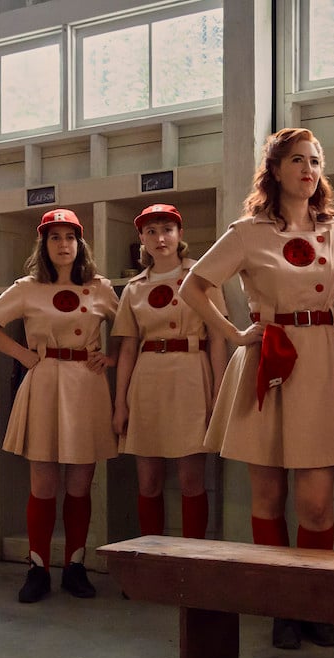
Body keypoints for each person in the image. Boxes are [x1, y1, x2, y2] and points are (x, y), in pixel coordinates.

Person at [179, 128, 334, 650]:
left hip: (323, 358)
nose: (310, 169)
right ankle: (281, 606)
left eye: (317, 161)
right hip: (269, 356)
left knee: (317, 503)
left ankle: (314, 603)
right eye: (298, 160)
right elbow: (194, 286)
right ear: (275, 169)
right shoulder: (247, 231)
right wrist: (235, 334)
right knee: (267, 493)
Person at [0, 209, 119, 603]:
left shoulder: (101, 287)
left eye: (69, 237)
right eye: (54, 237)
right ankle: (37, 568)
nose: (63, 245)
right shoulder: (27, 287)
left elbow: (129, 330)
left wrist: (110, 358)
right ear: (44, 244)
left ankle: (75, 566)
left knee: (79, 484)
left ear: (80, 243)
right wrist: (22, 355)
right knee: (43, 483)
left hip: (86, 386)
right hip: (43, 381)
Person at [112, 204, 229, 540]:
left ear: (180, 235)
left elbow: (218, 338)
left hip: (191, 374)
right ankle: (152, 560)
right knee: (148, 480)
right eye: (151, 231)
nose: (160, 238)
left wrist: (218, 394)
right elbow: (128, 347)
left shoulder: (202, 278)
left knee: (192, 479)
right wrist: (120, 402)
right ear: (141, 240)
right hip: (147, 380)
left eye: (167, 229)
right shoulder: (135, 287)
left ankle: (191, 562)